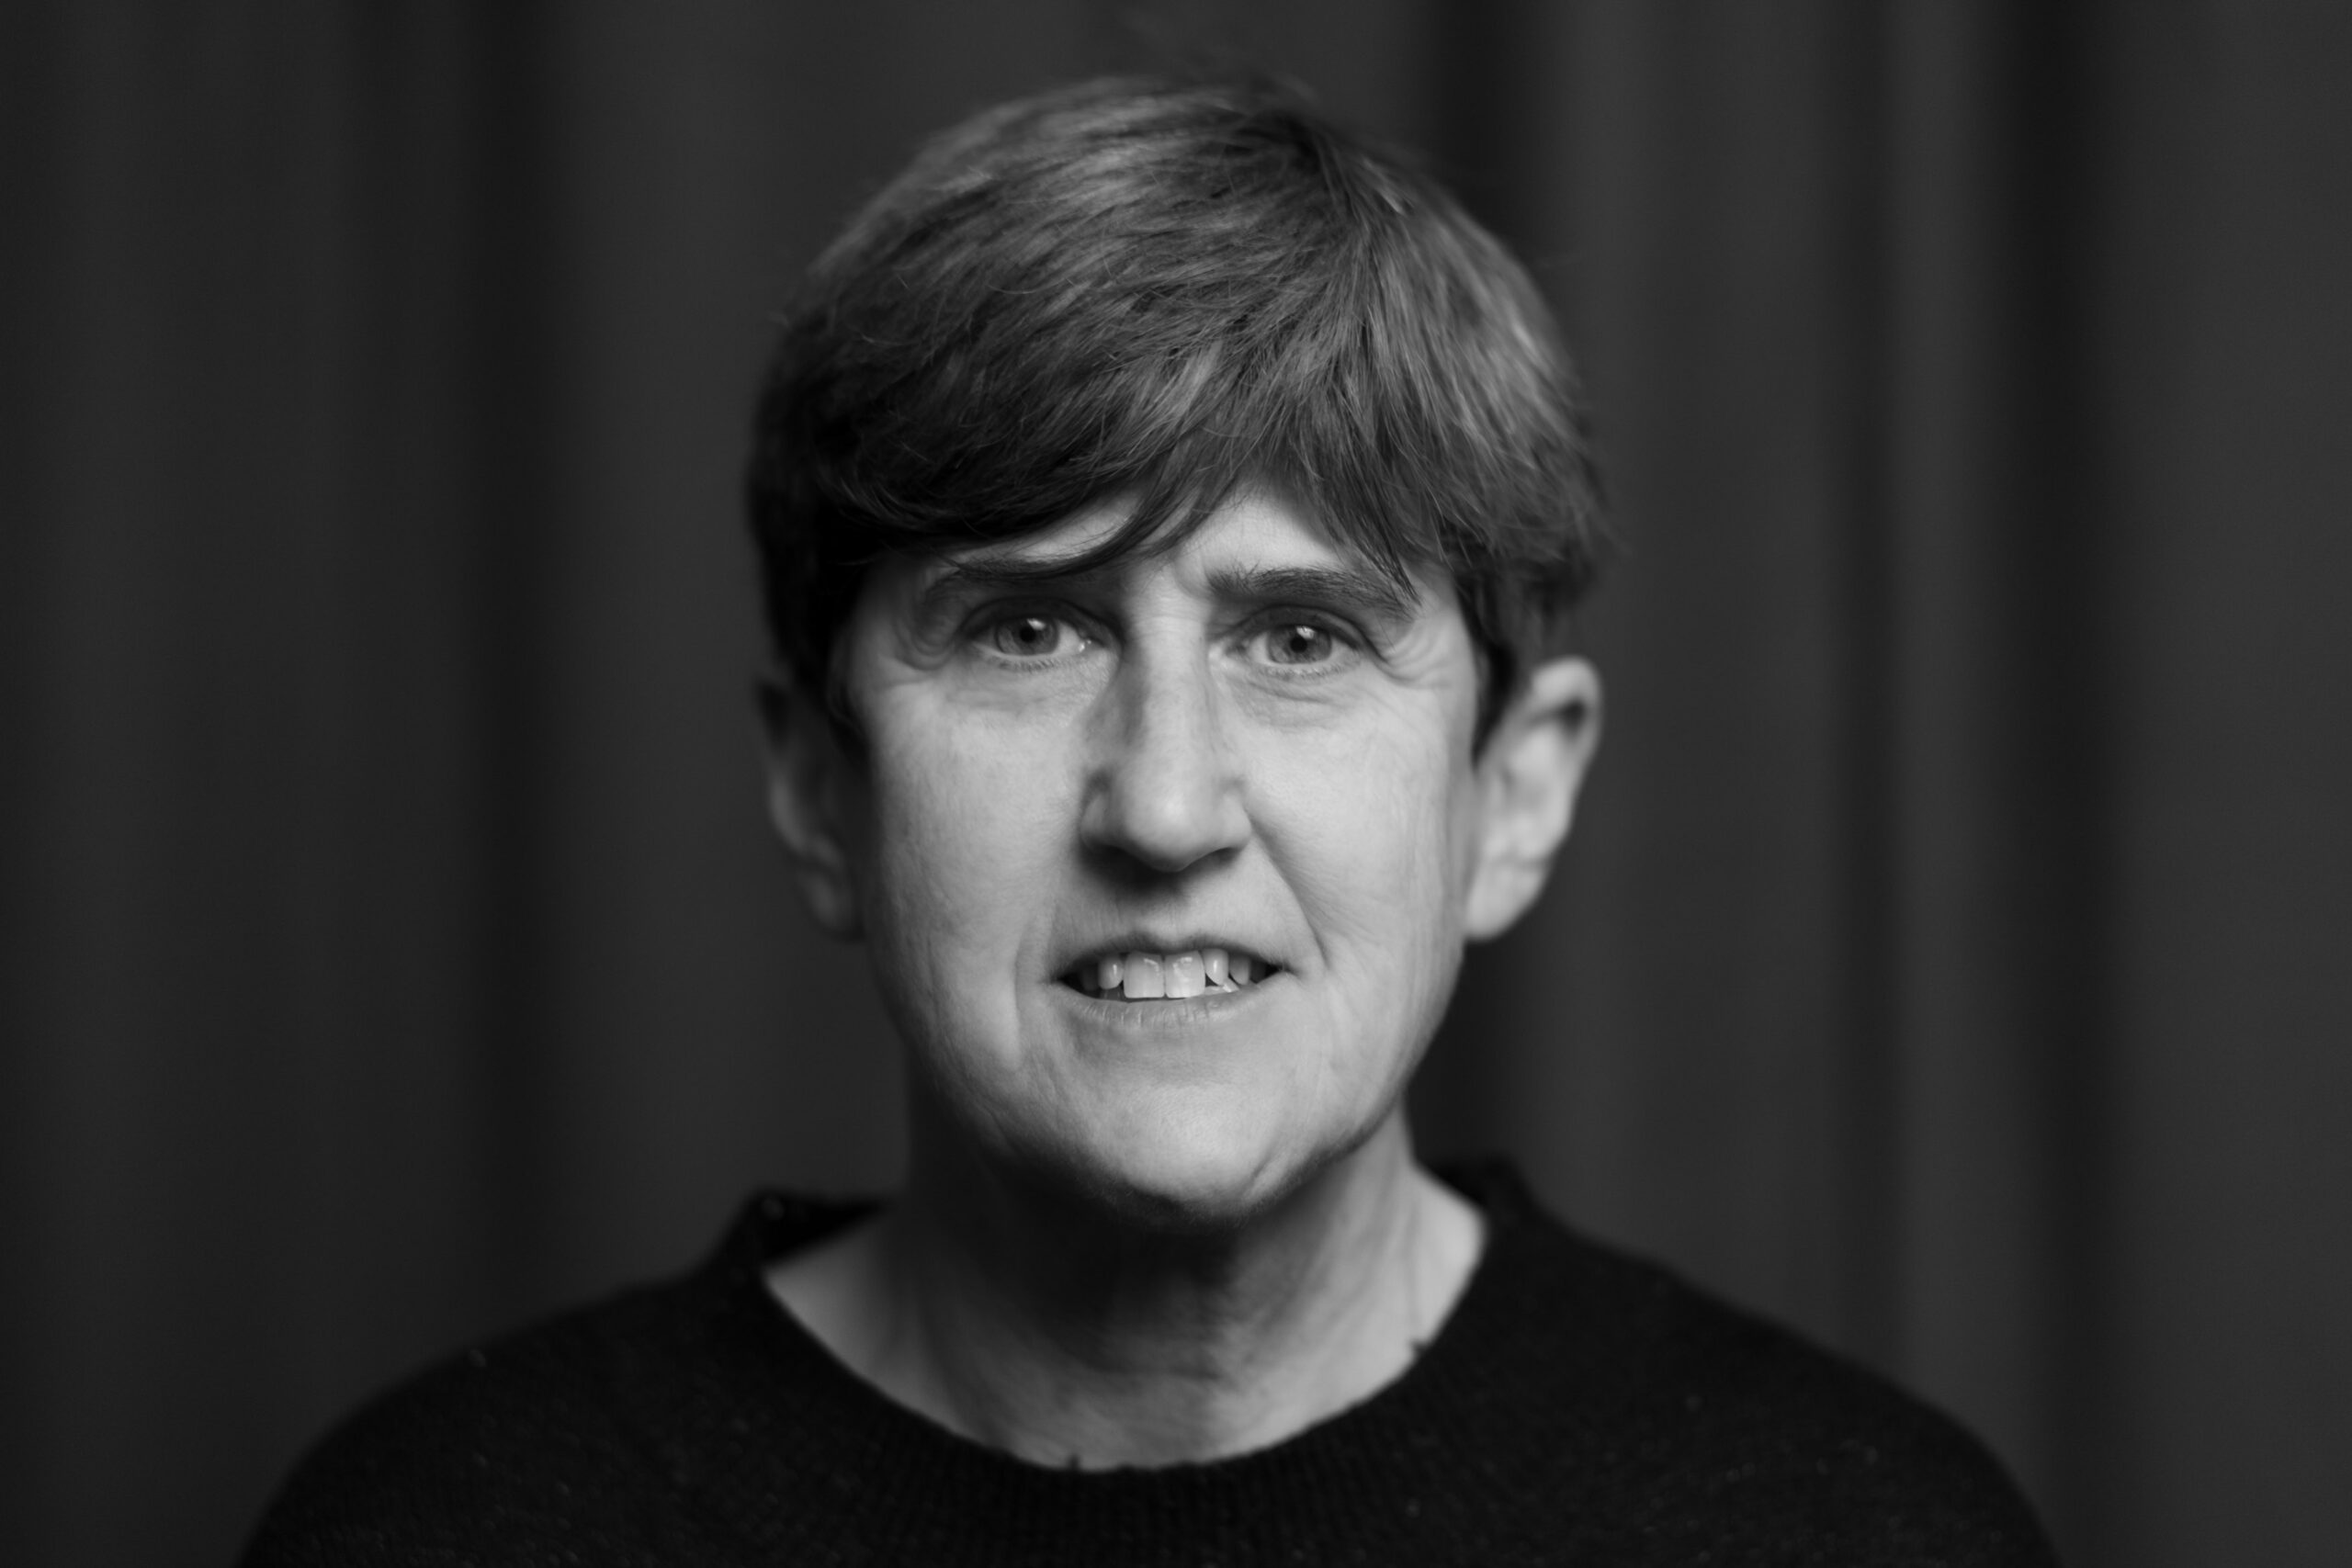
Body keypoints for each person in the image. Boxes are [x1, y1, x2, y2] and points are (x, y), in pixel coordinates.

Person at [244, 76, 2058, 1564]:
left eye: (1301, 638)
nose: (1168, 806)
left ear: (1514, 792)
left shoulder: (1853, 1531)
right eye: (1026, 631)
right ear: (818, 788)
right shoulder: (447, 1531)